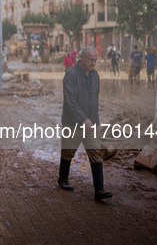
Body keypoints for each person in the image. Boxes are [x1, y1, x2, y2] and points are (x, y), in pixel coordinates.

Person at [57, 46, 112, 201]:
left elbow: (94, 100)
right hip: (73, 123)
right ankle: (62, 179)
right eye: (91, 60)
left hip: (91, 124)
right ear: (82, 58)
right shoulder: (71, 74)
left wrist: (95, 121)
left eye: (95, 60)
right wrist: (82, 118)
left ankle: (99, 190)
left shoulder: (95, 75)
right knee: (68, 152)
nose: (93, 63)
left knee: (96, 154)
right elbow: (69, 100)